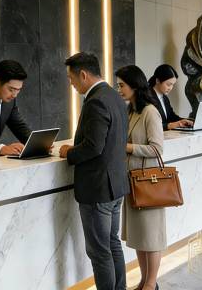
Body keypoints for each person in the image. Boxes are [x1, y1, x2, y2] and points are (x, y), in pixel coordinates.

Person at [59, 52, 129, 290]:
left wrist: (68, 152)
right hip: (115, 185)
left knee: (100, 252)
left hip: (98, 189)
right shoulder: (114, 96)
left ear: (83, 74)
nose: (71, 84)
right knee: (112, 244)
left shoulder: (96, 100)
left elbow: (93, 146)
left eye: (71, 79)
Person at [116, 65, 166, 290]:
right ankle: (144, 281)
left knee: (151, 237)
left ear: (135, 86)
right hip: (132, 182)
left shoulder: (150, 112)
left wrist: (127, 147)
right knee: (139, 236)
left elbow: (157, 149)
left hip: (148, 183)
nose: (119, 89)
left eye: (122, 85)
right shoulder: (130, 111)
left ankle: (151, 283)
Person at [149, 64, 193, 131]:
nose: (170, 88)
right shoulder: (147, 97)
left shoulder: (164, 97)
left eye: (173, 85)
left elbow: (171, 117)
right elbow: (151, 125)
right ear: (157, 81)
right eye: (168, 84)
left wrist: (185, 121)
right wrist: (171, 125)